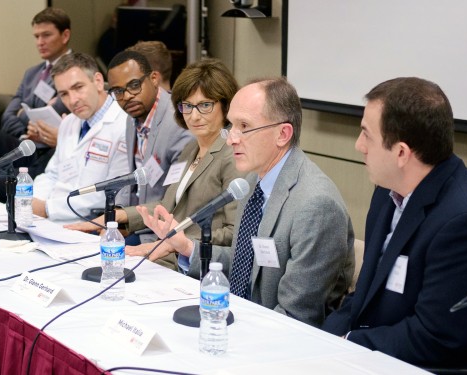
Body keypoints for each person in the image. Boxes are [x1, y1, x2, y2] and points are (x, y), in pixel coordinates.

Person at [321, 77, 467, 369]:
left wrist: (347, 343)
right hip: (376, 354)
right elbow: (363, 296)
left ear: (401, 153)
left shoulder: (466, 223)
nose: (358, 145)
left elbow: (436, 338)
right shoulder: (388, 192)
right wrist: (320, 339)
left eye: (366, 134)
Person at [136, 78, 355, 327]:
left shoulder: (315, 205)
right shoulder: (253, 182)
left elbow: (296, 316)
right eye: (231, 126)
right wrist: (186, 247)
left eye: (244, 127)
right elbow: (246, 263)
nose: (231, 139)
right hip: (238, 317)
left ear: (283, 134)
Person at [67, 59, 245, 271]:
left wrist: (175, 242)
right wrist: (118, 216)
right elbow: (167, 205)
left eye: (205, 105)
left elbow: (233, 232)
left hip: (195, 267)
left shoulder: (232, 155)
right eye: (187, 106)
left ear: (225, 105)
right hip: (164, 257)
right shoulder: (191, 148)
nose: (194, 116)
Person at [30, 53, 129, 222]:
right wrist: (31, 200)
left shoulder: (124, 124)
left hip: (88, 224)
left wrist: (47, 208)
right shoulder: (69, 122)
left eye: (78, 87)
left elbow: (113, 193)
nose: (73, 100)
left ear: (98, 81)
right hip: (51, 218)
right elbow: (52, 174)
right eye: (64, 94)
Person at [105, 50, 192, 214]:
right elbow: (135, 183)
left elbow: (175, 200)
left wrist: (125, 218)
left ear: (154, 79)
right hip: (138, 219)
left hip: (162, 228)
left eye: (134, 85)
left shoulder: (179, 123)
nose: (127, 96)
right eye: (118, 91)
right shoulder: (132, 118)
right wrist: (116, 215)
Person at [1, 7, 72, 170]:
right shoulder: (31, 73)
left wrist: (22, 114)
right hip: (23, 142)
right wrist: (27, 132)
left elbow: (56, 111)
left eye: (46, 35)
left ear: (65, 35)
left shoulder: (76, 70)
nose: (40, 42)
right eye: (36, 36)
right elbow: (7, 115)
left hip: (51, 150)